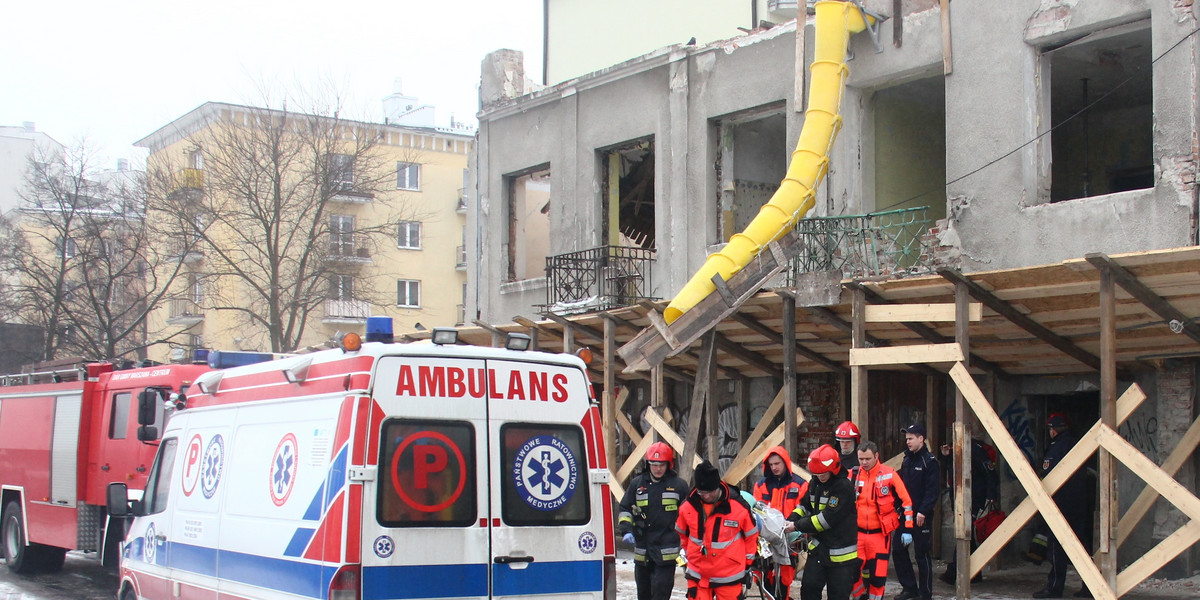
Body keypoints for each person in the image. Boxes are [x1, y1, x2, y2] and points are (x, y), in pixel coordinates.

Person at [676, 460, 759, 600]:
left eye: (710, 492)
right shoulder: (687, 507)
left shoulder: (738, 507)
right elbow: (681, 534)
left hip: (729, 576)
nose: (707, 496)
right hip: (698, 575)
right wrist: (691, 554)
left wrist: (748, 564)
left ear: (718, 487)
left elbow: (751, 536)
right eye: (702, 492)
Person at [1032, 413, 1093, 599]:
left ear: (1053, 430)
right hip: (1079, 503)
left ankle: (1054, 588)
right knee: (1081, 546)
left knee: (1056, 548)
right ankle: (1090, 586)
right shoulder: (1076, 444)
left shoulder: (1056, 447)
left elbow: (1048, 475)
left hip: (1061, 504)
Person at [618, 442, 689, 600]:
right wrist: (626, 530)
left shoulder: (679, 486)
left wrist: (687, 542)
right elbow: (625, 508)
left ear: (669, 464)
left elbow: (690, 515)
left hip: (666, 553)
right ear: (648, 464)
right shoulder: (637, 484)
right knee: (643, 594)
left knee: (661, 593)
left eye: (661, 465)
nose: (657, 469)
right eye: (654, 464)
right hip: (643, 552)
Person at [788, 444, 858, 600]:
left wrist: (796, 526)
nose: (820, 477)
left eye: (823, 473)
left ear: (833, 469)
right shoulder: (815, 482)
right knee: (809, 589)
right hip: (820, 549)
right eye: (816, 473)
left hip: (841, 555)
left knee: (838, 595)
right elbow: (805, 506)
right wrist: (792, 518)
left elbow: (826, 520)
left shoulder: (843, 487)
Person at [850, 441, 914, 600]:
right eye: (861, 459)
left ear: (876, 456)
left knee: (878, 577)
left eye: (868, 459)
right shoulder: (852, 475)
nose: (864, 462)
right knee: (851, 571)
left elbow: (907, 502)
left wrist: (907, 528)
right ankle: (859, 596)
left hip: (879, 535)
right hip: (857, 535)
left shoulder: (890, 474)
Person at [938, 426, 1000, 584]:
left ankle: (953, 572)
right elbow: (951, 472)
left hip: (974, 498)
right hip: (958, 498)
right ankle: (975, 572)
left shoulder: (976, 450)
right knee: (967, 534)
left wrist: (991, 496)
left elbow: (990, 473)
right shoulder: (955, 449)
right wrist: (945, 456)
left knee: (964, 533)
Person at [893, 424, 940, 600]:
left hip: (921, 516)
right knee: (898, 550)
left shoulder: (929, 461)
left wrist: (923, 511)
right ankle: (909, 588)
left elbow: (932, 490)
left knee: (921, 553)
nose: (908, 442)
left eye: (911, 438)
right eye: (907, 439)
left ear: (921, 438)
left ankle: (925, 592)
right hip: (905, 514)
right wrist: (898, 507)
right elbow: (902, 487)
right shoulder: (907, 459)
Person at [753, 446, 805, 599]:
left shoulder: (799, 485)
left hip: (789, 538)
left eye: (777, 463)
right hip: (766, 539)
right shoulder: (761, 485)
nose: (774, 467)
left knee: (784, 580)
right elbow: (757, 510)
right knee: (765, 580)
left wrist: (792, 525)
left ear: (785, 463)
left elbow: (802, 508)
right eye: (771, 464)